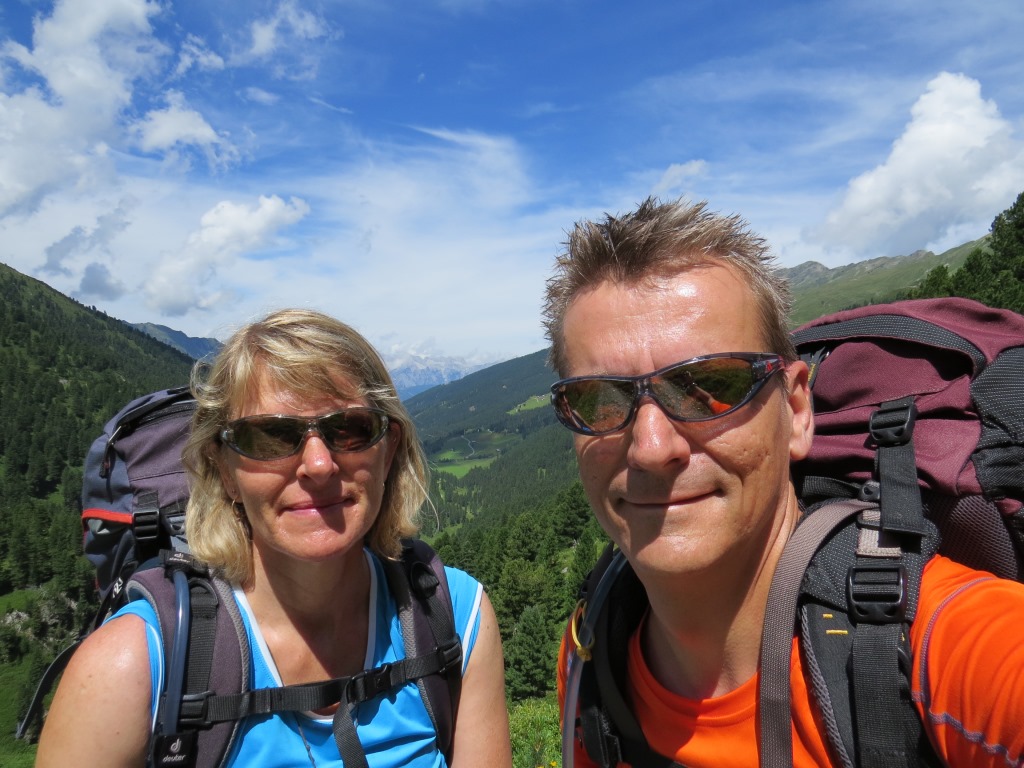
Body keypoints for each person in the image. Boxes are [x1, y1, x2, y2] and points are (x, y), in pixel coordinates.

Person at [544, 198, 1024, 767]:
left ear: (796, 411)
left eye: (709, 386)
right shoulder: (591, 655)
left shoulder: (944, 647)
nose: (652, 448)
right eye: (598, 400)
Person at [36, 308, 512, 768]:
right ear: (224, 471)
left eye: (350, 429)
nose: (319, 465)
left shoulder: (455, 616)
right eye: (270, 437)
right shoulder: (129, 666)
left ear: (389, 452)